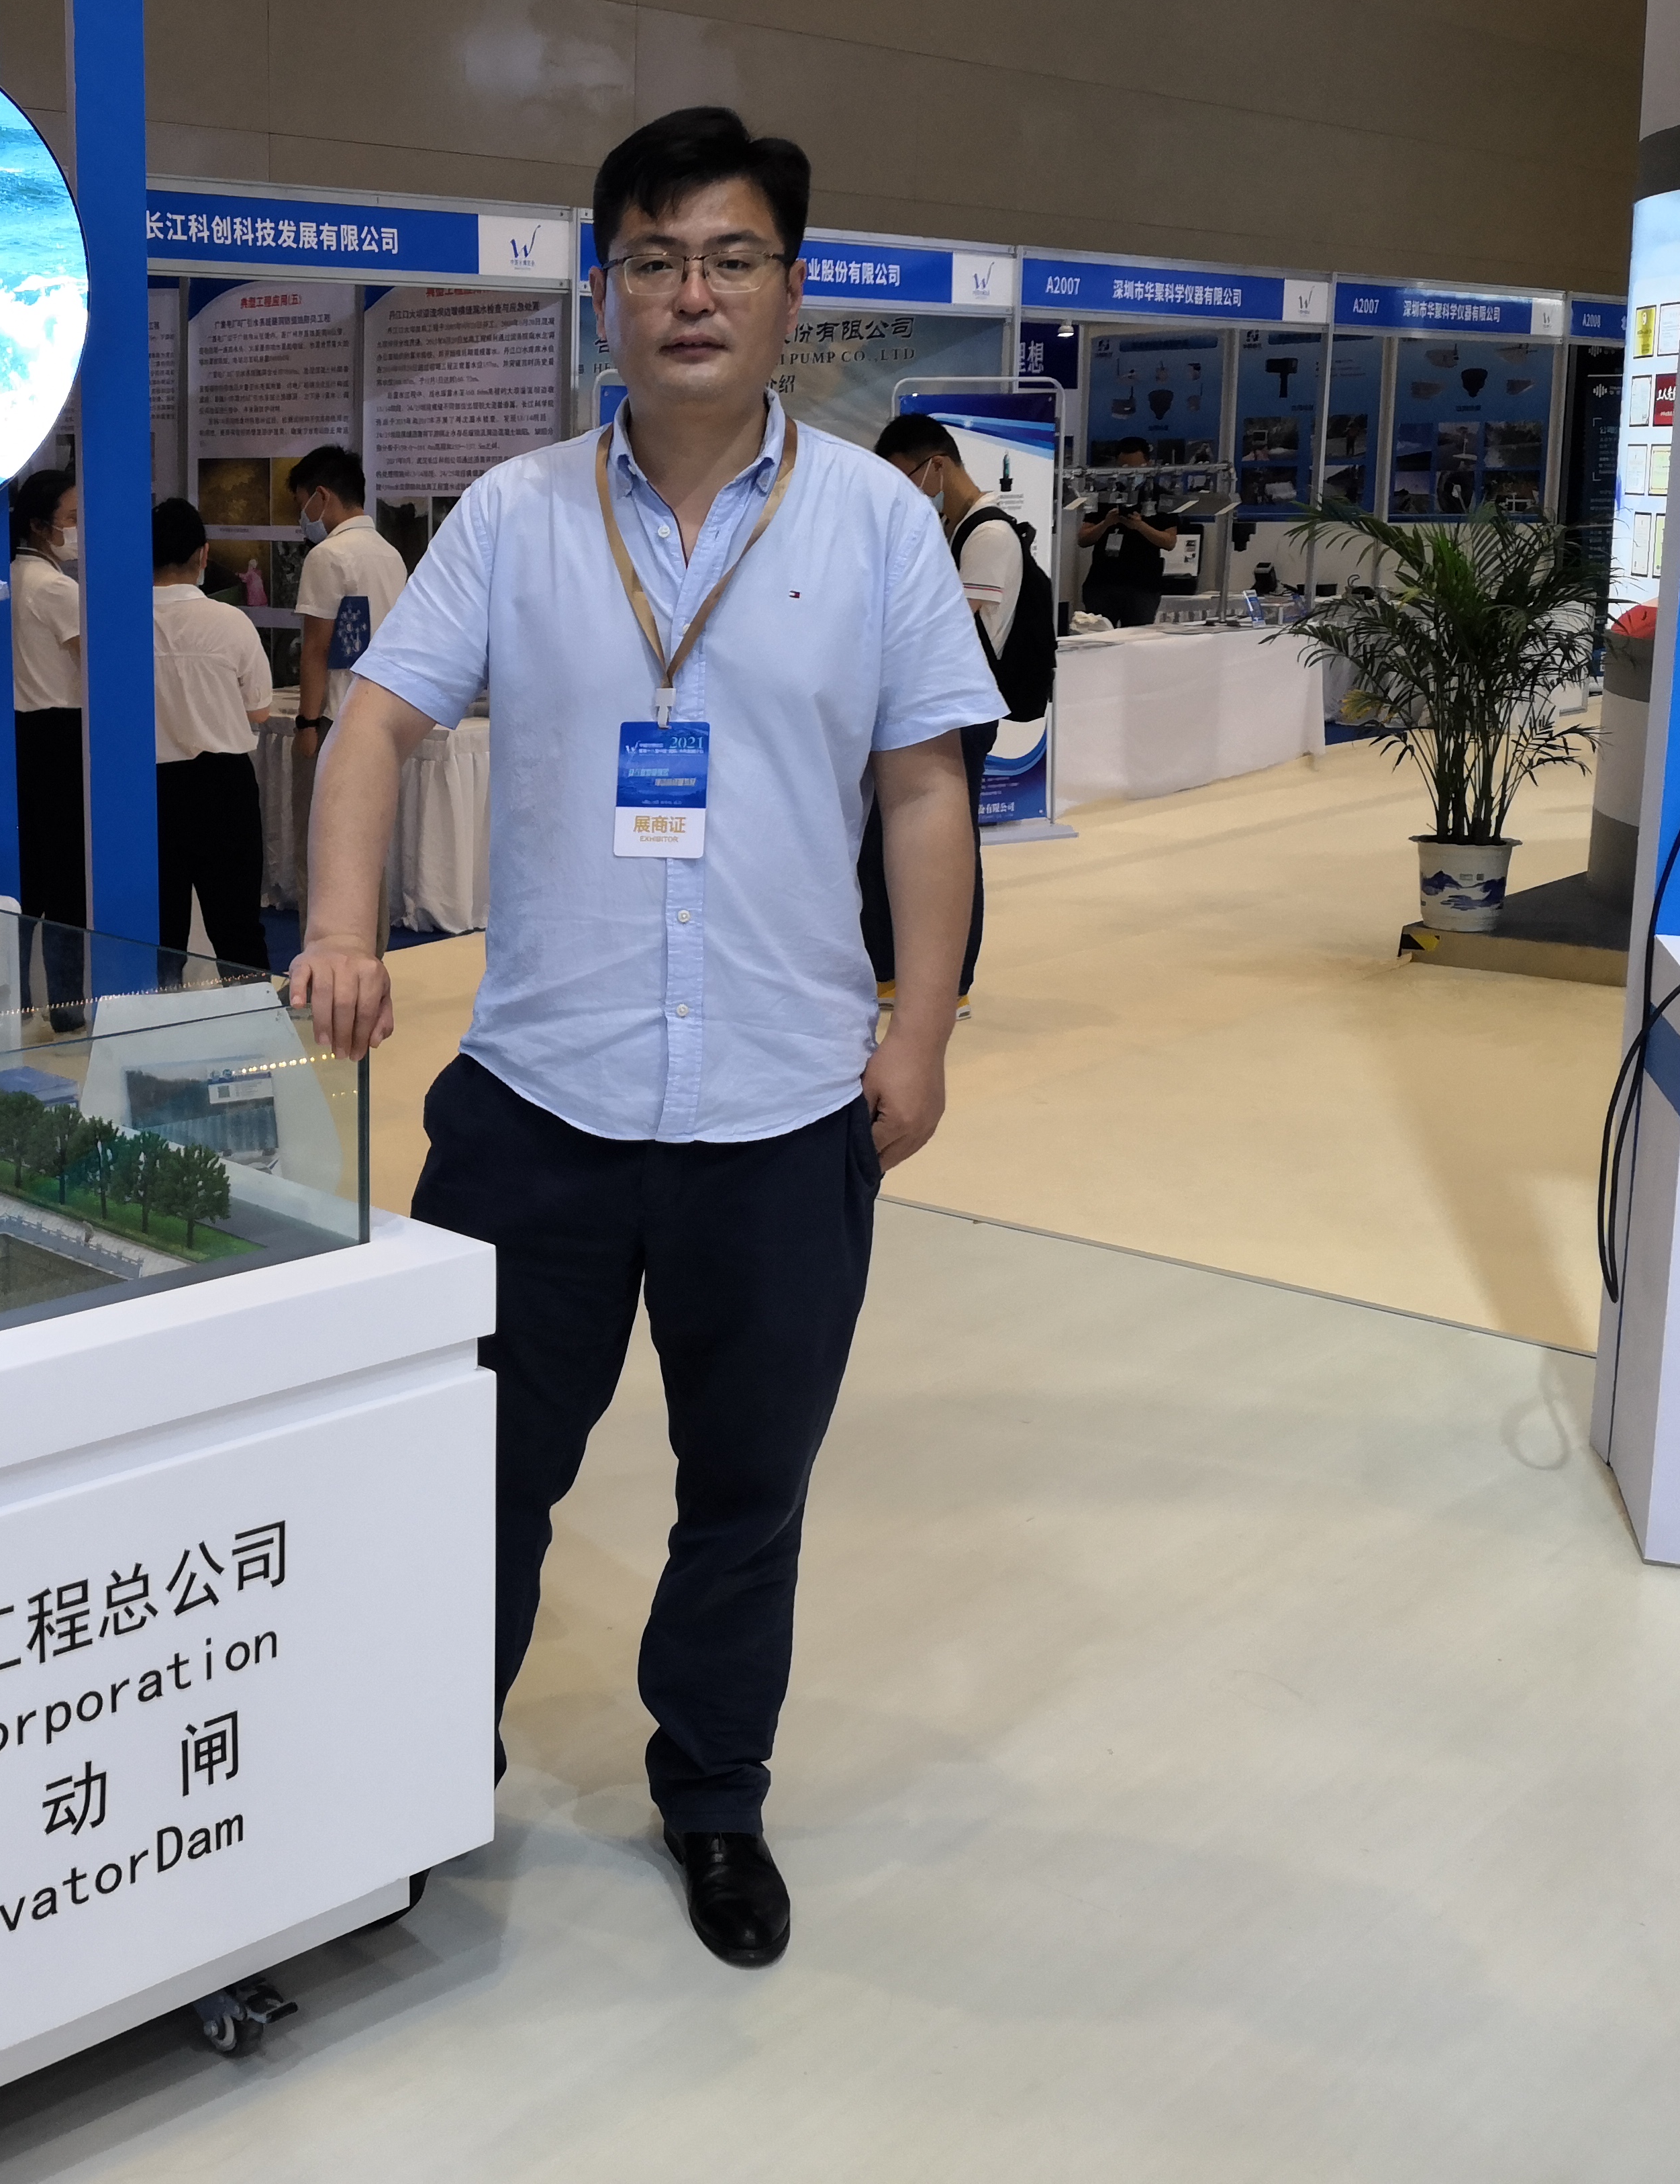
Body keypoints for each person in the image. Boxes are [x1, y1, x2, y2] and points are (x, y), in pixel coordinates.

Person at [289, 106, 1000, 1972]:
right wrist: (342, 931)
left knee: (744, 1495)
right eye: (657, 259)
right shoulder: (518, 517)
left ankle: (712, 1796)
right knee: (478, 1476)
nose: (693, 293)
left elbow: (924, 792)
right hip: (540, 1106)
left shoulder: (874, 526)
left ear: (790, 292)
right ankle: (419, 1776)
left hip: (783, 1110)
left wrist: (920, 1032)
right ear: (604, 289)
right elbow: (374, 725)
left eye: (731, 258)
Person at [858, 415, 1022, 1006]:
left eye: (905, 476)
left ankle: (952, 983)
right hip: (925, 704)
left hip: (958, 710)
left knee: (949, 841)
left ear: (937, 465)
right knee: (885, 842)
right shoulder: (953, 528)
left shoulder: (990, 534)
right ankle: (890, 968)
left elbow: (948, 626)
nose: (904, 490)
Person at [150, 496, 273, 971]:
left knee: (159, 935)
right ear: (203, 555)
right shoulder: (231, 622)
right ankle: (253, 1015)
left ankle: (157, 1016)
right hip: (223, 786)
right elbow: (259, 710)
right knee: (238, 928)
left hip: (150, 788)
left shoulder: (120, 624)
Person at [285, 444, 404, 926]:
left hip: (334, 717)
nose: (303, 518)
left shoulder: (328, 556)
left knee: (319, 849)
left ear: (322, 496)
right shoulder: (390, 555)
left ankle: (320, 956)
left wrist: (306, 724)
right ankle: (369, 953)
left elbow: (316, 649)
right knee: (366, 847)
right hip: (382, 715)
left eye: (302, 505)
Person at [8, 468, 89, 1009]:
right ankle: (66, 1006)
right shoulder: (56, 588)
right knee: (65, 884)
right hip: (60, 735)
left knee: (29, 881)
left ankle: (17, 999)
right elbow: (97, 662)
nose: (78, 529)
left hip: (21, 734)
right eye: (71, 518)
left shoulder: (12, 577)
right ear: (40, 526)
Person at [1077, 449, 1179, 628]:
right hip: (1102, 582)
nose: (1130, 474)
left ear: (1148, 465)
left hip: (1142, 586)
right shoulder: (1104, 496)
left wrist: (1140, 526)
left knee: (1137, 637)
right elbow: (1083, 539)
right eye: (1124, 468)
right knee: (1098, 636)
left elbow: (1169, 542)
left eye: (1135, 468)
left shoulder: (1163, 496)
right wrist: (1106, 523)